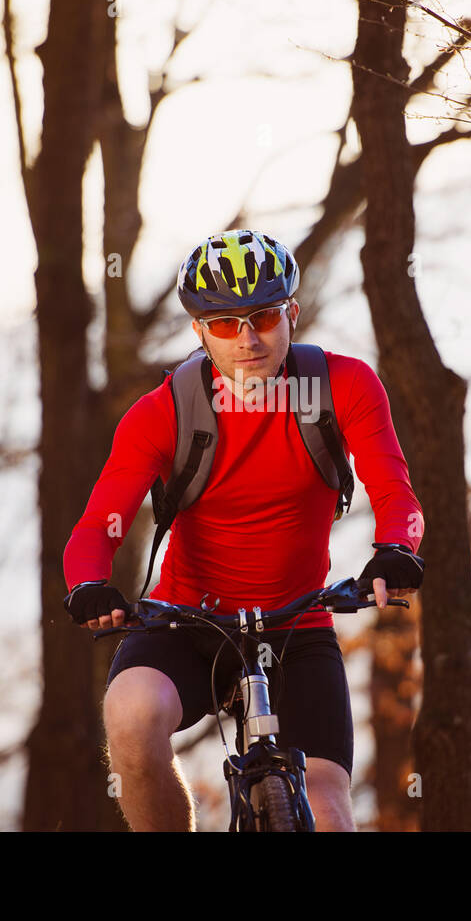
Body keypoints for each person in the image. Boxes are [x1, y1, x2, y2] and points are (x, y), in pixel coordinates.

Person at [62, 229, 425, 831]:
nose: (249, 338)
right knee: (131, 714)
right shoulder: (163, 414)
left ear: (292, 313)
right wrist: (89, 584)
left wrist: (395, 551)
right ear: (199, 331)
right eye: (225, 324)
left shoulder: (345, 388)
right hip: (184, 620)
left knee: (330, 811)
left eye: (263, 316)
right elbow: (98, 527)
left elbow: (394, 491)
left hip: (297, 623)